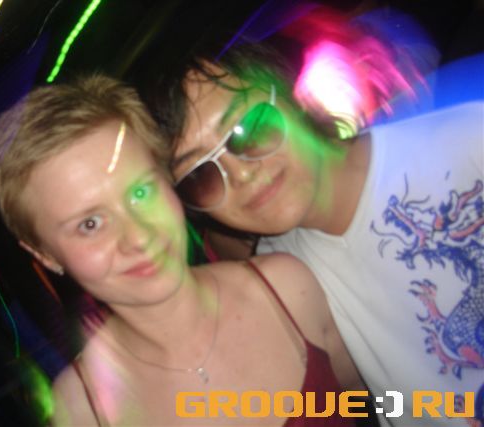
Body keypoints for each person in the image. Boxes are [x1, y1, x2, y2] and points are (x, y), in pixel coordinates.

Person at [138, 16, 484, 427]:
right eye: (201, 175)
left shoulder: (466, 138)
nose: (242, 173)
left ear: (288, 95)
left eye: (250, 129)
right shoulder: (283, 289)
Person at [0, 74, 364, 426]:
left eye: (141, 191)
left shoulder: (289, 289)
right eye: (90, 224)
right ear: (46, 256)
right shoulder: (81, 408)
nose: (140, 237)